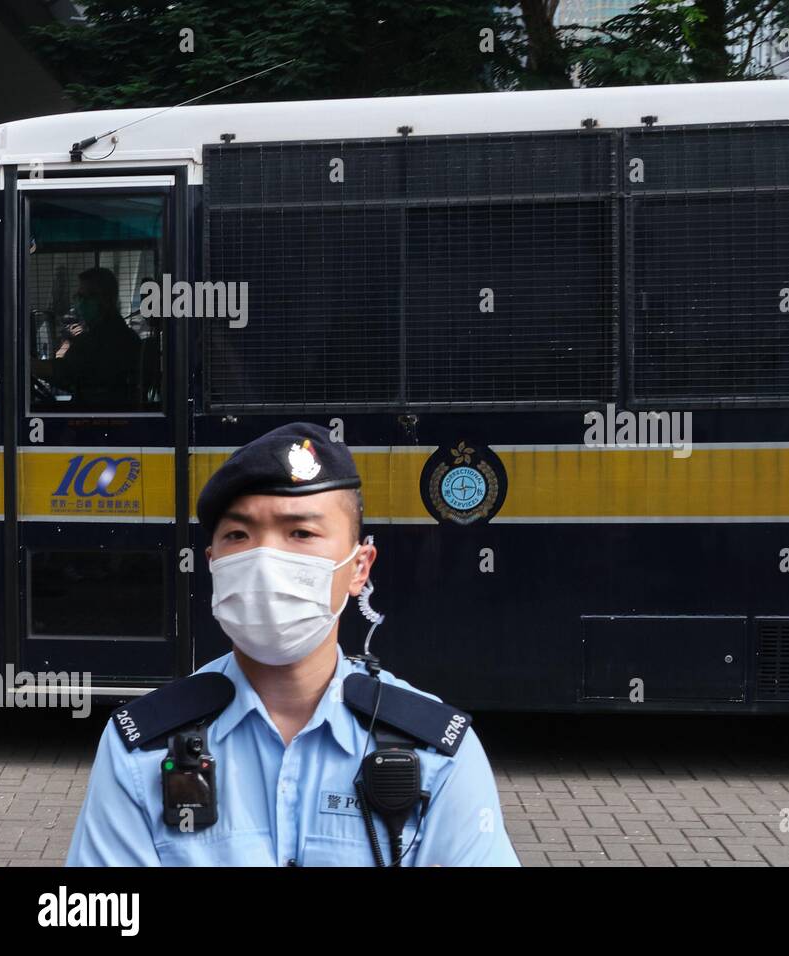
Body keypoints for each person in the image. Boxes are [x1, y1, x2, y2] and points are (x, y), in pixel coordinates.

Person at [66, 422, 521, 866]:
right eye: (238, 535)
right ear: (213, 563)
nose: (265, 560)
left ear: (359, 566)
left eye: (300, 533)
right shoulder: (140, 749)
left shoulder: (437, 755)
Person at [31, 266, 143, 410]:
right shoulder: (127, 336)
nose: (79, 302)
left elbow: (65, 372)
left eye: (85, 297)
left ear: (105, 299)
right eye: (78, 297)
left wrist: (29, 365)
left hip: (95, 418)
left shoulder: (101, 340)